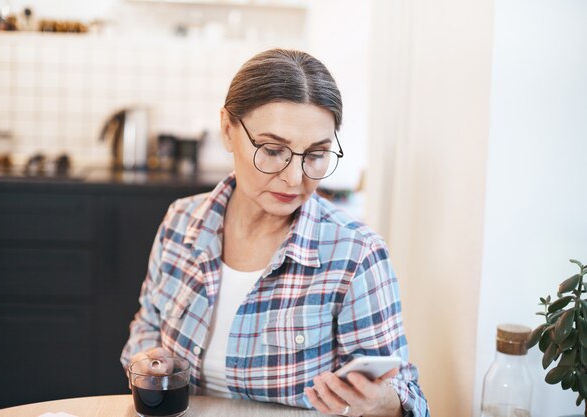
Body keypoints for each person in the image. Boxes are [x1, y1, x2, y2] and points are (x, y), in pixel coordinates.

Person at [121, 48, 429, 417]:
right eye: (272, 149)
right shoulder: (181, 222)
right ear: (227, 130)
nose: (294, 178)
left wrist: (383, 403)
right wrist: (146, 360)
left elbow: (408, 396)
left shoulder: (357, 254)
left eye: (316, 155)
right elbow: (147, 325)